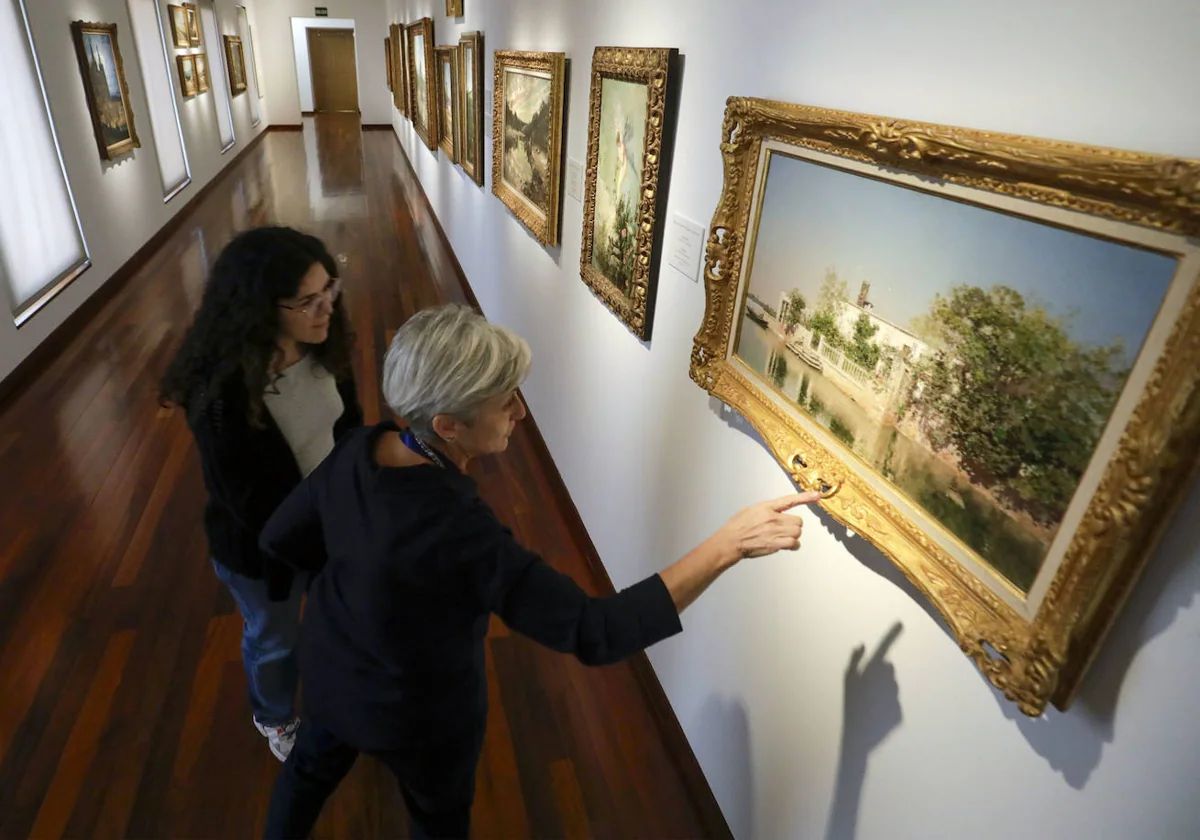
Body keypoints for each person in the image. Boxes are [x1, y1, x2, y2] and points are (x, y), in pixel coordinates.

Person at [260, 303, 820, 838]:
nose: (521, 413)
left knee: (308, 773)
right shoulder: (462, 531)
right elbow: (595, 631)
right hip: (419, 718)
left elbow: (282, 537)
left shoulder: (362, 447)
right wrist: (730, 544)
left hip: (330, 670)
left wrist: (357, 597)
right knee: (437, 818)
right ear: (448, 425)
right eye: (505, 402)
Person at [160, 226, 361, 762]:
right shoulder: (220, 391)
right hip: (262, 549)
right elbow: (247, 501)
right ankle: (273, 716)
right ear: (259, 308)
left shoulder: (323, 346)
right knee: (275, 640)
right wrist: (323, 538)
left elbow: (349, 428)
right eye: (308, 302)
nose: (326, 310)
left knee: (332, 620)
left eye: (329, 292)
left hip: (328, 524)